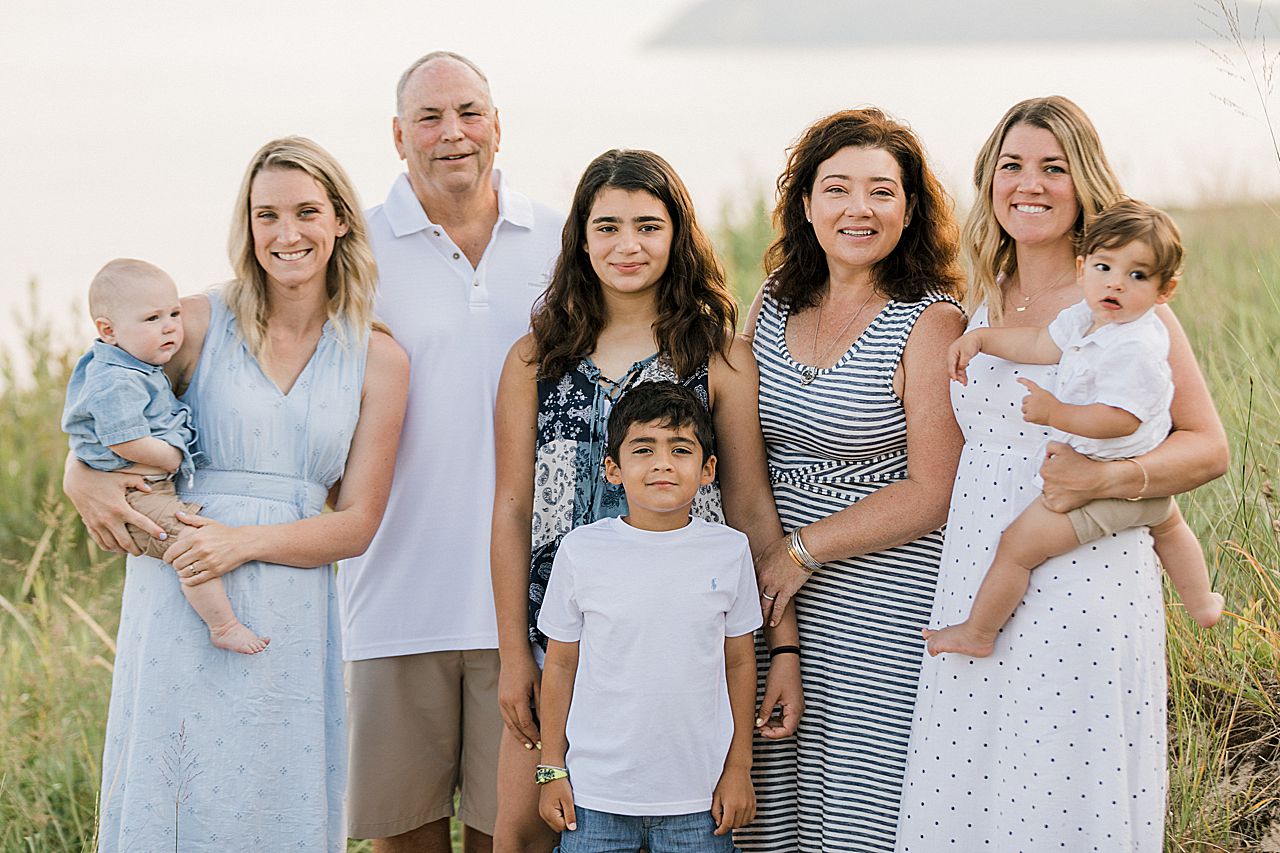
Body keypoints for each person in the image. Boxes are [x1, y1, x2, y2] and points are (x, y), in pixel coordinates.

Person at [896, 97, 1229, 852]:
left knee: (1058, 796)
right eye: (1012, 165)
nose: (1031, 184)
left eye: (1054, 167)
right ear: (988, 181)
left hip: (1083, 582)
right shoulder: (973, 301)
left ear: (1085, 182)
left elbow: (1208, 447)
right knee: (972, 789)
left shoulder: (1122, 303)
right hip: (977, 577)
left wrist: (1104, 481)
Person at [62, 136, 409, 851]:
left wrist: (239, 544)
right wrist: (81, 472)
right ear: (246, 226)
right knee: (179, 801)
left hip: (290, 602)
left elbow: (358, 523)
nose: (287, 234)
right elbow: (101, 386)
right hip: (180, 594)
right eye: (266, 215)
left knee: (274, 802)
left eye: (307, 211)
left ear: (341, 219)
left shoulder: (379, 356)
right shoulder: (193, 322)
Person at [491, 148, 797, 852]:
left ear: (677, 235)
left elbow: (749, 509)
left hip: (680, 647)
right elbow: (511, 508)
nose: (627, 245)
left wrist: (782, 644)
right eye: (607, 227)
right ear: (580, 238)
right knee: (522, 829)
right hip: (560, 644)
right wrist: (514, 653)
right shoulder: (535, 359)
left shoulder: (718, 357)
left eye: (648, 226)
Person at [336, 51, 563, 853]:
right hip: (393, 603)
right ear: (398, 137)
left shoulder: (562, 239)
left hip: (532, 610)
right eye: (429, 118)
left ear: (497, 125)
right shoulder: (350, 247)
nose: (453, 133)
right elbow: (245, 325)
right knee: (406, 841)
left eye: (469, 112)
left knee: (522, 839)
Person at [733, 108, 966, 853]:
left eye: (881, 191)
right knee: (770, 810)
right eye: (836, 188)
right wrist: (776, 589)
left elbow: (933, 491)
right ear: (805, 204)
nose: (858, 209)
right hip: (775, 602)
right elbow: (743, 457)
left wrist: (798, 554)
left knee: (865, 811)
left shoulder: (931, 321)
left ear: (910, 210)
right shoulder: (771, 302)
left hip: (882, 601)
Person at [925, 199, 1223, 658]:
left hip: (1104, 484)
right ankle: (1202, 602)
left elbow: (1120, 418)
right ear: (1084, 268)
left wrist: (1055, 413)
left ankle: (978, 633)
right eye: (1104, 267)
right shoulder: (1089, 318)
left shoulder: (1136, 343)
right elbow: (1041, 344)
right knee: (1168, 524)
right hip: (1131, 486)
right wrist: (983, 338)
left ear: (1165, 291)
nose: (1116, 283)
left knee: (1018, 546)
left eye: (1138, 276)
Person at [536, 381, 761, 851]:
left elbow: (739, 663)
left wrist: (739, 766)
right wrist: (552, 768)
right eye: (644, 449)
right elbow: (559, 665)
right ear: (613, 469)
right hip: (595, 796)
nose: (662, 463)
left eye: (681, 449)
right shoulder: (581, 551)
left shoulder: (730, 550)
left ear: (707, 470)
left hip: (698, 801)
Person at [62, 258, 268, 655]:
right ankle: (222, 624)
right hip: (137, 490)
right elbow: (126, 442)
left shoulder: (136, 363)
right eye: (153, 318)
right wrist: (172, 457)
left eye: (174, 313)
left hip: (147, 485)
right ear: (108, 330)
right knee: (190, 546)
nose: (171, 325)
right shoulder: (116, 379)